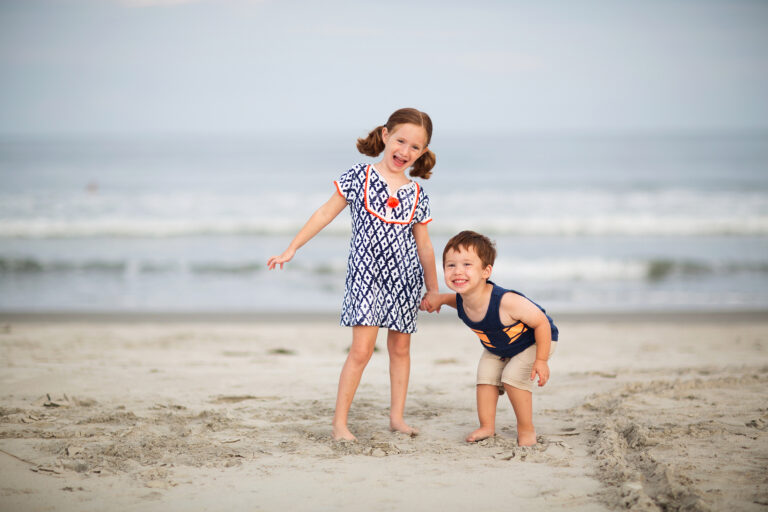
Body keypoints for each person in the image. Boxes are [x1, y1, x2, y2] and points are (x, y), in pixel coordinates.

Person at [267, 108, 439, 441]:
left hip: (404, 281)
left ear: (422, 153)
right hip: (365, 278)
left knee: (401, 350)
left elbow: (426, 247)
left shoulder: (418, 195)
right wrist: (292, 248)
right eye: (401, 141)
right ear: (386, 135)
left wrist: (432, 289)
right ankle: (339, 424)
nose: (405, 151)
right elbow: (324, 213)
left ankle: (397, 418)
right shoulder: (358, 177)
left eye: (415, 147)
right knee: (361, 351)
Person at [424, 230, 558, 446]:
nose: (458, 271)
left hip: (536, 341)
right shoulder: (462, 299)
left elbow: (541, 322)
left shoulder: (506, 301)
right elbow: (451, 300)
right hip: (499, 346)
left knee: (512, 378)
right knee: (485, 377)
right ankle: (487, 426)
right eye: (451, 265)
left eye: (467, 265)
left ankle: (526, 429)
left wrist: (541, 360)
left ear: (486, 271)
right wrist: (437, 300)